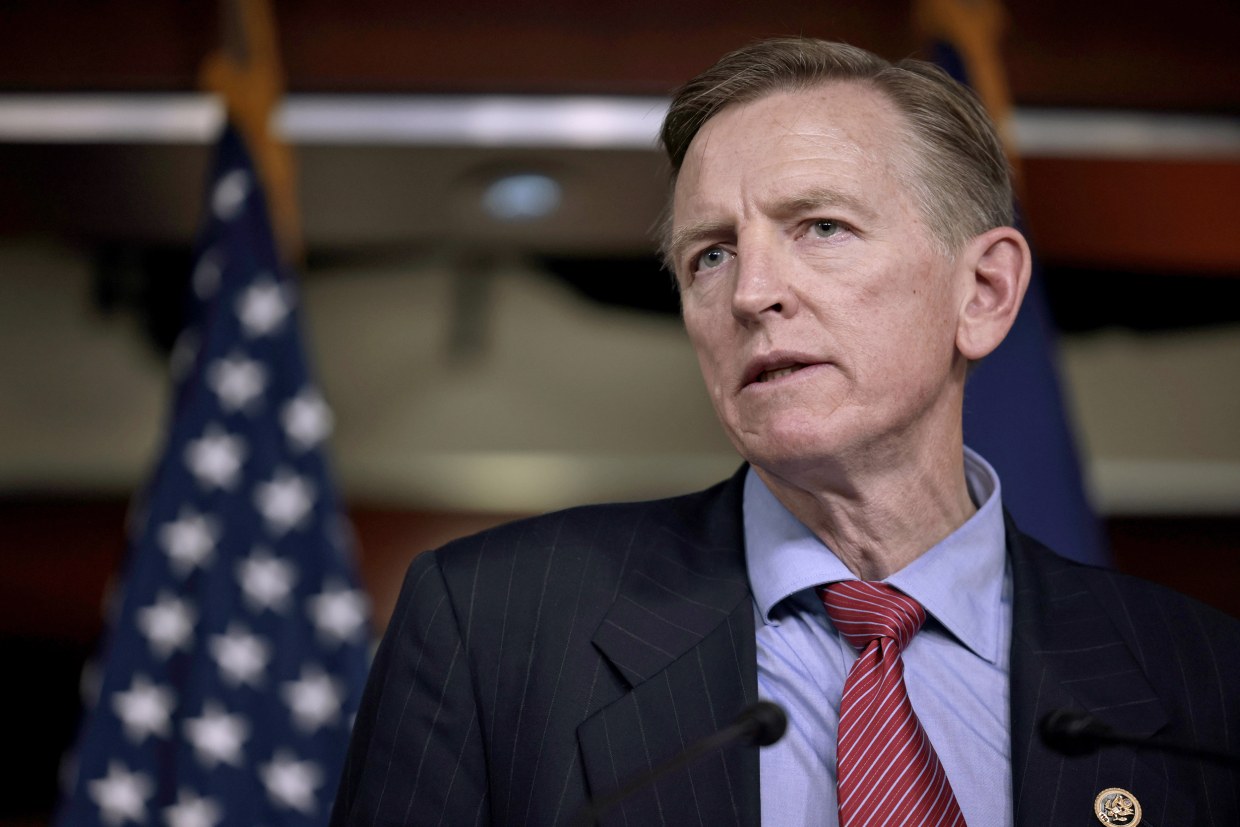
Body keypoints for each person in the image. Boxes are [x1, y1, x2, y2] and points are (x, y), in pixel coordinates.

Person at [330, 38, 1240, 826]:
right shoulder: (494, 625)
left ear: (985, 293)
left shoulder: (1197, 675)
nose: (752, 291)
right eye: (710, 254)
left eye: (822, 226)